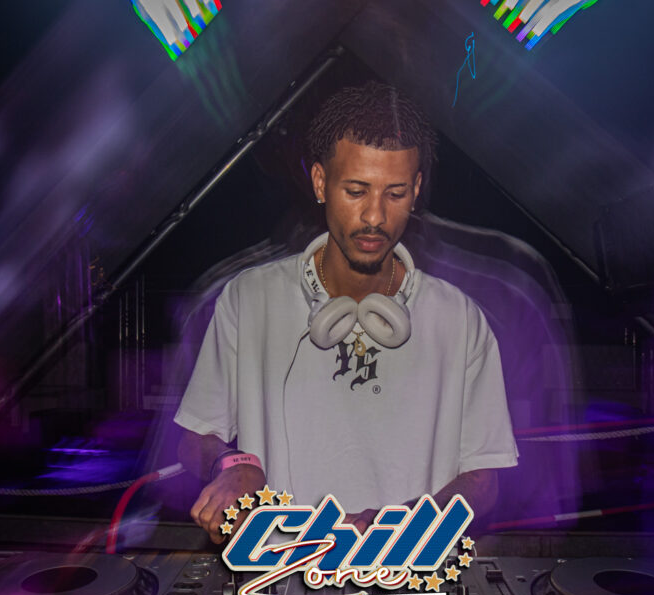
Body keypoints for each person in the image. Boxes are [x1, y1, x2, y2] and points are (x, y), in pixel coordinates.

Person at [175, 82, 517, 543]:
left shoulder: (460, 320)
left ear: (417, 189)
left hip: (404, 573)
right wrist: (233, 465)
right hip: (279, 571)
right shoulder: (249, 299)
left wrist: (407, 524)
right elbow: (195, 437)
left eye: (395, 194)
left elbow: (483, 478)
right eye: (356, 190)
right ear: (320, 183)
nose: (375, 216)